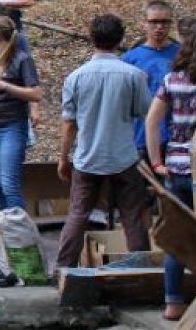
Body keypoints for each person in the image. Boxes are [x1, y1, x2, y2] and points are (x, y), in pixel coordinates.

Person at [55, 14, 152, 268]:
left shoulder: (76, 77)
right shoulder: (134, 76)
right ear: (120, 40)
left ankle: (64, 268)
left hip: (87, 157)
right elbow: (147, 113)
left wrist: (63, 158)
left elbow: (69, 124)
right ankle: (141, 267)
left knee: (77, 214)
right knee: (132, 215)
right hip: (124, 156)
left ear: (91, 38)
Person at [145, 20, 196, 321]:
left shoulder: (171, 80)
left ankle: (173, 302)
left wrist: (156, 162)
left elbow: (152, 122)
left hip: (175, 168)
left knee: (177, 237)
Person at [0, 15, 41, 210]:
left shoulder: (22, 59)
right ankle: (7, 231)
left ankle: (21, 234)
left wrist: (3, 85)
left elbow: (35, 93)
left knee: (9, 185)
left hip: (12, 127)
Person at [122, 0, 180, 163]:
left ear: (171, 24)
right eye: (154, 22)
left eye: (164, 22)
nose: (159, 27)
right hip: (140, 137)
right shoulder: (130, 59)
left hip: (177, 139)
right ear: (144, 24)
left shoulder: (182, 55)